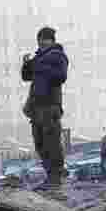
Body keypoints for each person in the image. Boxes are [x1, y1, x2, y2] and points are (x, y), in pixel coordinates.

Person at [21, 26, 69, 188]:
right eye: (39, 40)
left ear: (51, 40)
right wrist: (26, 64)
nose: (41, 42)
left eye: (44, 39)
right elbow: (26, 77)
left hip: (50, 106)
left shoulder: (58, 55)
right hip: (36, 108)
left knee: (51, 142)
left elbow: (61, 76)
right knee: (40, 143)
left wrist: (39, 67)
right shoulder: (39, 57)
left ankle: (56, 177)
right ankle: (50, 176)